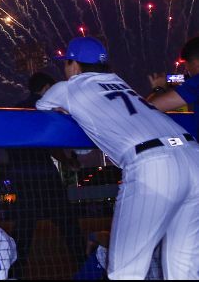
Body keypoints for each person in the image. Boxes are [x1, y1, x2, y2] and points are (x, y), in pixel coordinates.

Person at [36, 36, 199, 279]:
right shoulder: (120, 83)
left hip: (153, 164)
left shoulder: (66, 88)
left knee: (126, 271)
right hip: (192, 156)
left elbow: (41, 110)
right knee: (184, 268)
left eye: (66, 63)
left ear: (74, 65)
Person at [8, 72, 86, 278]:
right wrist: (67, 160)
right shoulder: (45, 108)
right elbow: (51, 143)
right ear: (46, 88)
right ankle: (85, 268)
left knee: (24, 229)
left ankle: (13, 272)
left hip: (21, 176)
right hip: (44, 175)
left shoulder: (15, 110)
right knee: (68, 224)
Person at [149, 36, 199, 115]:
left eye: (186, 64)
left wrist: (158, 88)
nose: (186, 68)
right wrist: (170, 79)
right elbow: (185, 78)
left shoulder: (195, 83)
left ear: (196, 63)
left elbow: (149, 108)